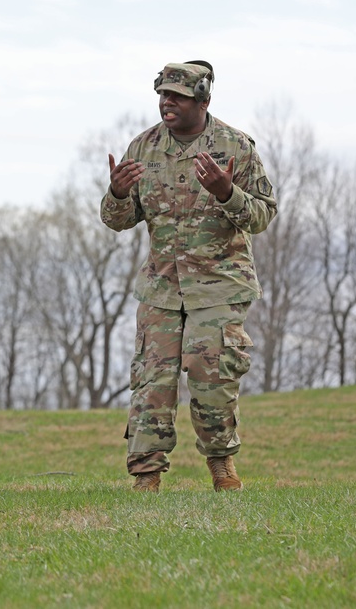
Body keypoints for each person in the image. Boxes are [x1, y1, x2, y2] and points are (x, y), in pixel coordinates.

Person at [100, 60, 277, 493]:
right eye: (163, 94)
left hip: (219, 285)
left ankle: (222, 466)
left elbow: (263, 215)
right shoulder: (142, 147)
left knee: (210, 374)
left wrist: (226, 193)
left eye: (177, 95)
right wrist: (118, 193)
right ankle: (146, 477)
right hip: (161, 287)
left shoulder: (235, 147)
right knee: (151, 380)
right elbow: (117, 219)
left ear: (203, 100)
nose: (167, 102)